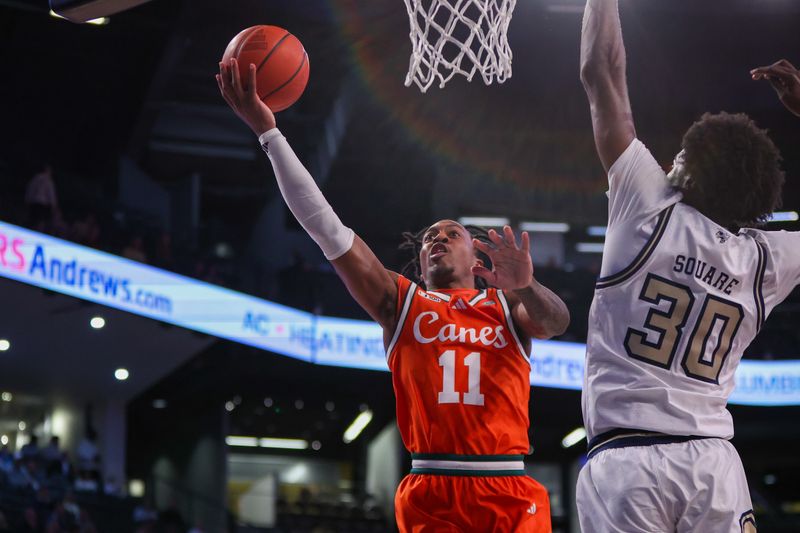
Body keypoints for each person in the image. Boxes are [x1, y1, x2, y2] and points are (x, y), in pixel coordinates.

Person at [217, 58, 570, 532]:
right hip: (431, 487)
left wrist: (526, 283)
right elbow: (326, 227)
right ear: (421, 260)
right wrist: (270, 134)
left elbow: (556, 324)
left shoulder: (506, 305)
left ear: (477, 261)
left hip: (506, 486)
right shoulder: (401, 303)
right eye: (429, 238)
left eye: (451, 234)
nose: (436, 239)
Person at [577, 1, 797, 532]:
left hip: (626, 463)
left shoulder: (647, 206)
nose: (671, 161)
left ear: (692, 175)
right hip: (714, 466)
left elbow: (599, 69)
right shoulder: (766, 260)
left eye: (680, 156)